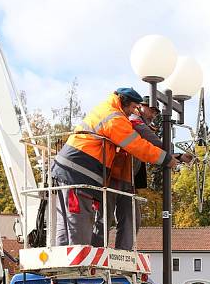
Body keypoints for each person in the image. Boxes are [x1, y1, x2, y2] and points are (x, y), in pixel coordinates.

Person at [51, 88, 178, 245]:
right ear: (124, 103)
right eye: (132, 107)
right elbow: (138, 146)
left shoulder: (105, 109)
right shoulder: (116, 119)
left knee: (67, 222)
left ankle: (65, 262)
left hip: (68, 168)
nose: (133, 111)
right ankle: (81, 266)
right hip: (78, 171)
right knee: (80, 221)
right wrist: (167, 159)